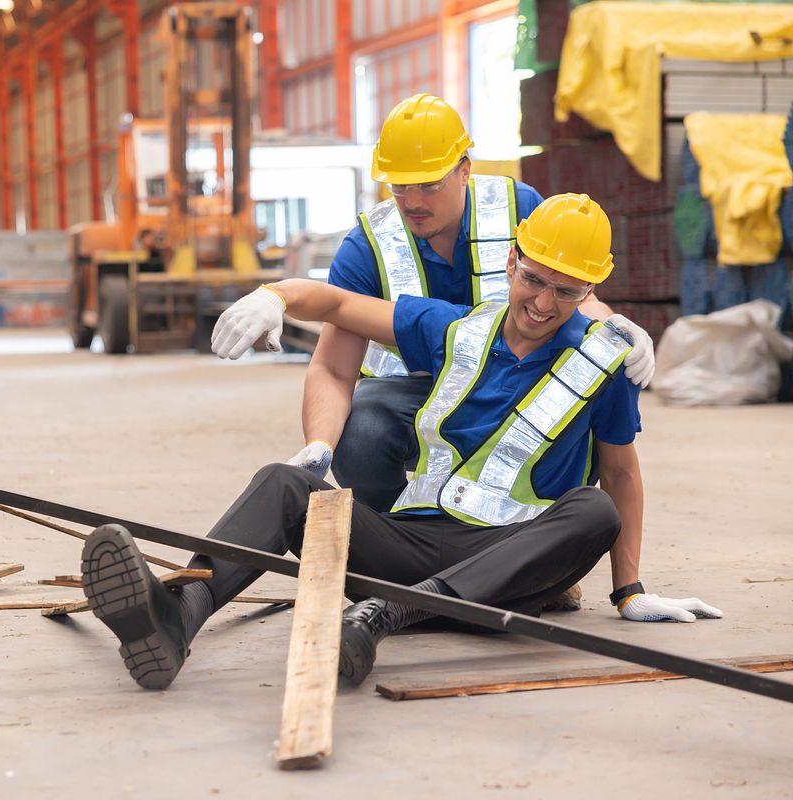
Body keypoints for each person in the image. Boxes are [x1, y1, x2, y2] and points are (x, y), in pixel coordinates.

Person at [79, 194, 720, 691]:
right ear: (511, 264)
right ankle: (176, 616)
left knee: (592, 510)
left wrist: (629, 591)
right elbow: (337, 303)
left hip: (505, 571)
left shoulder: (603, 363)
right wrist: (274, 295)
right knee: (286, 481)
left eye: (567, 290)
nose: (544, 302)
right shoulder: (454, 330)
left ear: (589, 293)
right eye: (534, 279)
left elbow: (622, 477)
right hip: (411, 541)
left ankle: (384, 618)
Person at [294, 93, 655, 513]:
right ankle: (402, 536)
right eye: (399, 186)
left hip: (516, 391)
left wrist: (614, 326)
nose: (412, 201)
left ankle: (541, 531)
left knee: (579, 399)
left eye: (429, 184)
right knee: (362, 424)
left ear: (464, 170)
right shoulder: (366, 248)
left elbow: (569, 289)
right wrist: (318, 445)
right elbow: (334, 367)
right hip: (414, 398)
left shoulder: (518, 208)